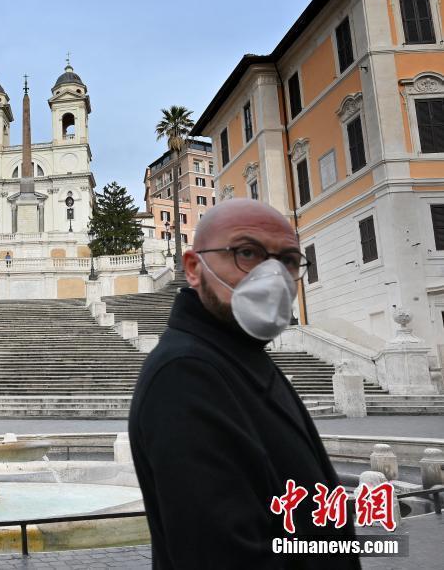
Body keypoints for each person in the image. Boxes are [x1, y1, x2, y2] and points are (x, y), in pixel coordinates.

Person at [128, 199, 361, 569]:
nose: (273, 275)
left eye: (287, 260)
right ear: (193, 268)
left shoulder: (240, 353)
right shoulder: (184, 376)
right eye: (247, 253)